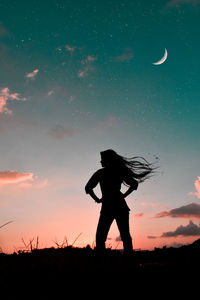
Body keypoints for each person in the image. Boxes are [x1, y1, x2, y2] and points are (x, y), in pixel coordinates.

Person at [85, 149, 158, 254]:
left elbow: (88, 188)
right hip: (121, 206)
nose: (100, 162)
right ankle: (129, 264)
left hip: (108, 208)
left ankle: (101, 264)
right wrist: (124, 195)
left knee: (101, 238)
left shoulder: (100, 173)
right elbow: (134, 184)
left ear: (107, 160)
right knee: (125, 236)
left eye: (102, 159)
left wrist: (97, 199)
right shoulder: (119, 171)